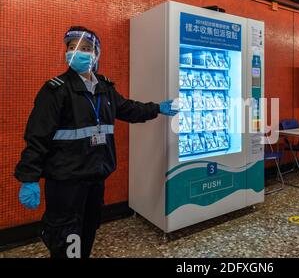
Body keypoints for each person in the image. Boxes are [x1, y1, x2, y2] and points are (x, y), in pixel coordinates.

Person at [14, 26, 178, 258]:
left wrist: (157, 108)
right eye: (72, 48)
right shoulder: (56, 91)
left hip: (95, 178)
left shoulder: (105, 89)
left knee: (88, 229)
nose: (77, 52)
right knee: (65, 236)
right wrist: (29, 177)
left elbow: (129, 109)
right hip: (66, 183)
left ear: (96, 54)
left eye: (85, 48)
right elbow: (37, 137)